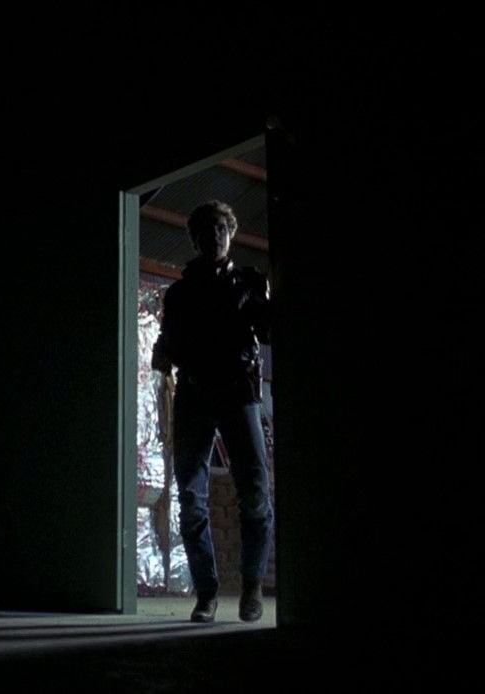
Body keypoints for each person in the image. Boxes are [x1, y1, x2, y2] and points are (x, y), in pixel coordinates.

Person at [151, 200, 273, 623]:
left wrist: (266, 306)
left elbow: (267, 331)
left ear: (231, 233)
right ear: (196, 239)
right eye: (206, 231)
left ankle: (252, 586)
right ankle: (207, 593)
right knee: (191, 496)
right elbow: (168, 342)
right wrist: (162, 353)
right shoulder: (180, 293)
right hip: (195, 393)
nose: (215, 237)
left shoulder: (249, 281)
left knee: (255, 491)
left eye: (221, 229)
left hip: (239, 392)